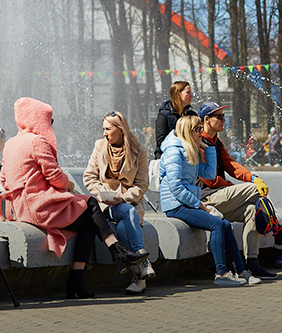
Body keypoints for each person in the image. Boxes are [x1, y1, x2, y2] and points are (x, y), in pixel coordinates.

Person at [0, 97, 147, 298]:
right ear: (36, 119)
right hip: (37, 207)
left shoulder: (10, 143)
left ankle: (76, 282)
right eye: (47, 120)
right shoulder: (37, 141)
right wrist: (69, 185)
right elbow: (57, 178)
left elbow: (3, 179)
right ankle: (118, 251)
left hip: (17, 207)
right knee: (90, 204)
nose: (49, 125)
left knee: (88, 224)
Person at [198, 102, 282, 280]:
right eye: (219, 117)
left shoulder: (217, 142)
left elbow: (232, 165)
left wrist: (253, 177)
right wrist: (237, 186)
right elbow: (207, 179)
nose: (223, 120)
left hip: (220, 197)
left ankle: (252, 263)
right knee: (254, 191)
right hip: (206, 199)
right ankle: (279, 232)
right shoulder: (198, 141)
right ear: (206, 119)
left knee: (252, 210)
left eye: (223, 116)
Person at [158, 115, 251, 287]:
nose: (202, 132)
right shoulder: (173, 151)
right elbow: (176, 188)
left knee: (224, 224)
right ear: (188, 131)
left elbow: (208, 175)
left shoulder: (189, 149)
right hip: (176, 205)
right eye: (198, 129)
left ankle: (241, 271)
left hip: (187, 202)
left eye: (201, 128)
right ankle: (221, 273)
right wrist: (199, 204)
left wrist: (209, 149)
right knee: (216, 224)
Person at [84, 111, 154, 295]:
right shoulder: (100, 146)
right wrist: (104, 194)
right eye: (103, 129)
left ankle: (138, 278)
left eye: (108, 129)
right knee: (128, 213)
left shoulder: (140, 151)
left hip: (129, 202)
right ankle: (143, 259)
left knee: (124, 227)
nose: (104, 133)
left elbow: (142, 185)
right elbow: (89, 177)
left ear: (120, 129)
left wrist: (123, 198)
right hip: (106, 205)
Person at [155, 81, 196, 158]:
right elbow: (161, 142)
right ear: (178, 94)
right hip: (168, 158)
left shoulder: (192, 115)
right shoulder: (164, 115)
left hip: (189, 158)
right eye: (188, 93)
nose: (191, 96)